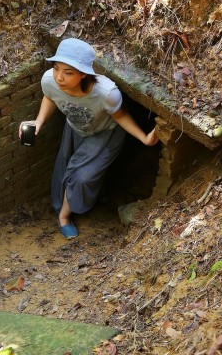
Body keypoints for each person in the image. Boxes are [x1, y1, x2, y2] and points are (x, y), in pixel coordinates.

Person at [20, 38, 159, 239]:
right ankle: (80, 201)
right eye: (57, 68)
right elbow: (50, 96)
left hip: (106, 133)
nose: (59, 77)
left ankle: (64, 217)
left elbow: (120, 116)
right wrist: (38, 122)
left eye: (68, 73)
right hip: (76, 128)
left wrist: (144, 138)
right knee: (66, 168)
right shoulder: (49, 80)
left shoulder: (106, 94)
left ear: (84, 73)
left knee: (82, 176)